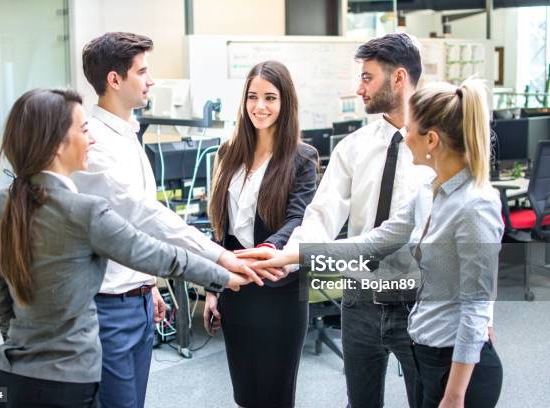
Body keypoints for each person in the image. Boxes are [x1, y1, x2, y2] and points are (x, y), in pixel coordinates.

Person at [238, 79, 504, 408]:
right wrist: (288, 257)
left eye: (411, 128)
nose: (404, 134)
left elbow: (475, 308)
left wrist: (454, 395)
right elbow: (369, 244)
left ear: (432, 140)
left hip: (459, 372)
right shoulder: (428, 194)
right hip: (428, 353)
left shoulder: (476, 205)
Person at [0, 89, 251, 408]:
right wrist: (226, 275)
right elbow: (162, 257)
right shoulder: (85, 212)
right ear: (56, 145)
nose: (92, 140)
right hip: (69, 383)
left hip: (7, 378)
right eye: (83, 130)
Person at [71, 33, 280, 408]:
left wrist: (147, 283)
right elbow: (144, 215)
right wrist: (219, 258)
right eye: (143, 71)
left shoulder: (128, 133)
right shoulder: (94, 141)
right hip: (106, 306)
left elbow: (130, 231)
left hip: (134, 299)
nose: (151, 81)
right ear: (114, 80)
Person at [234, 34, 430, 408]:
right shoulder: (353, 147)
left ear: (399, 78)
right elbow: (319, 218)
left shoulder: (437, 144)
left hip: (417, 298)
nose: (359, 88)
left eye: (367, 77)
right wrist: (286, 254)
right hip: (361, 301)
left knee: (426, 398)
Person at [203, 60, 318, 408]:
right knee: (246, 392)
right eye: (253, 97)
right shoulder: (229, 152)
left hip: (278, 288)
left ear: (285, 103)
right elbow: (220, 226)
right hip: (237, 289)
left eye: (270, 97)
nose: (260, 106)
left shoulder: (301, 157)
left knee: (275, 395)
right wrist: (213, 287)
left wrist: (268, 251)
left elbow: (298, 217)